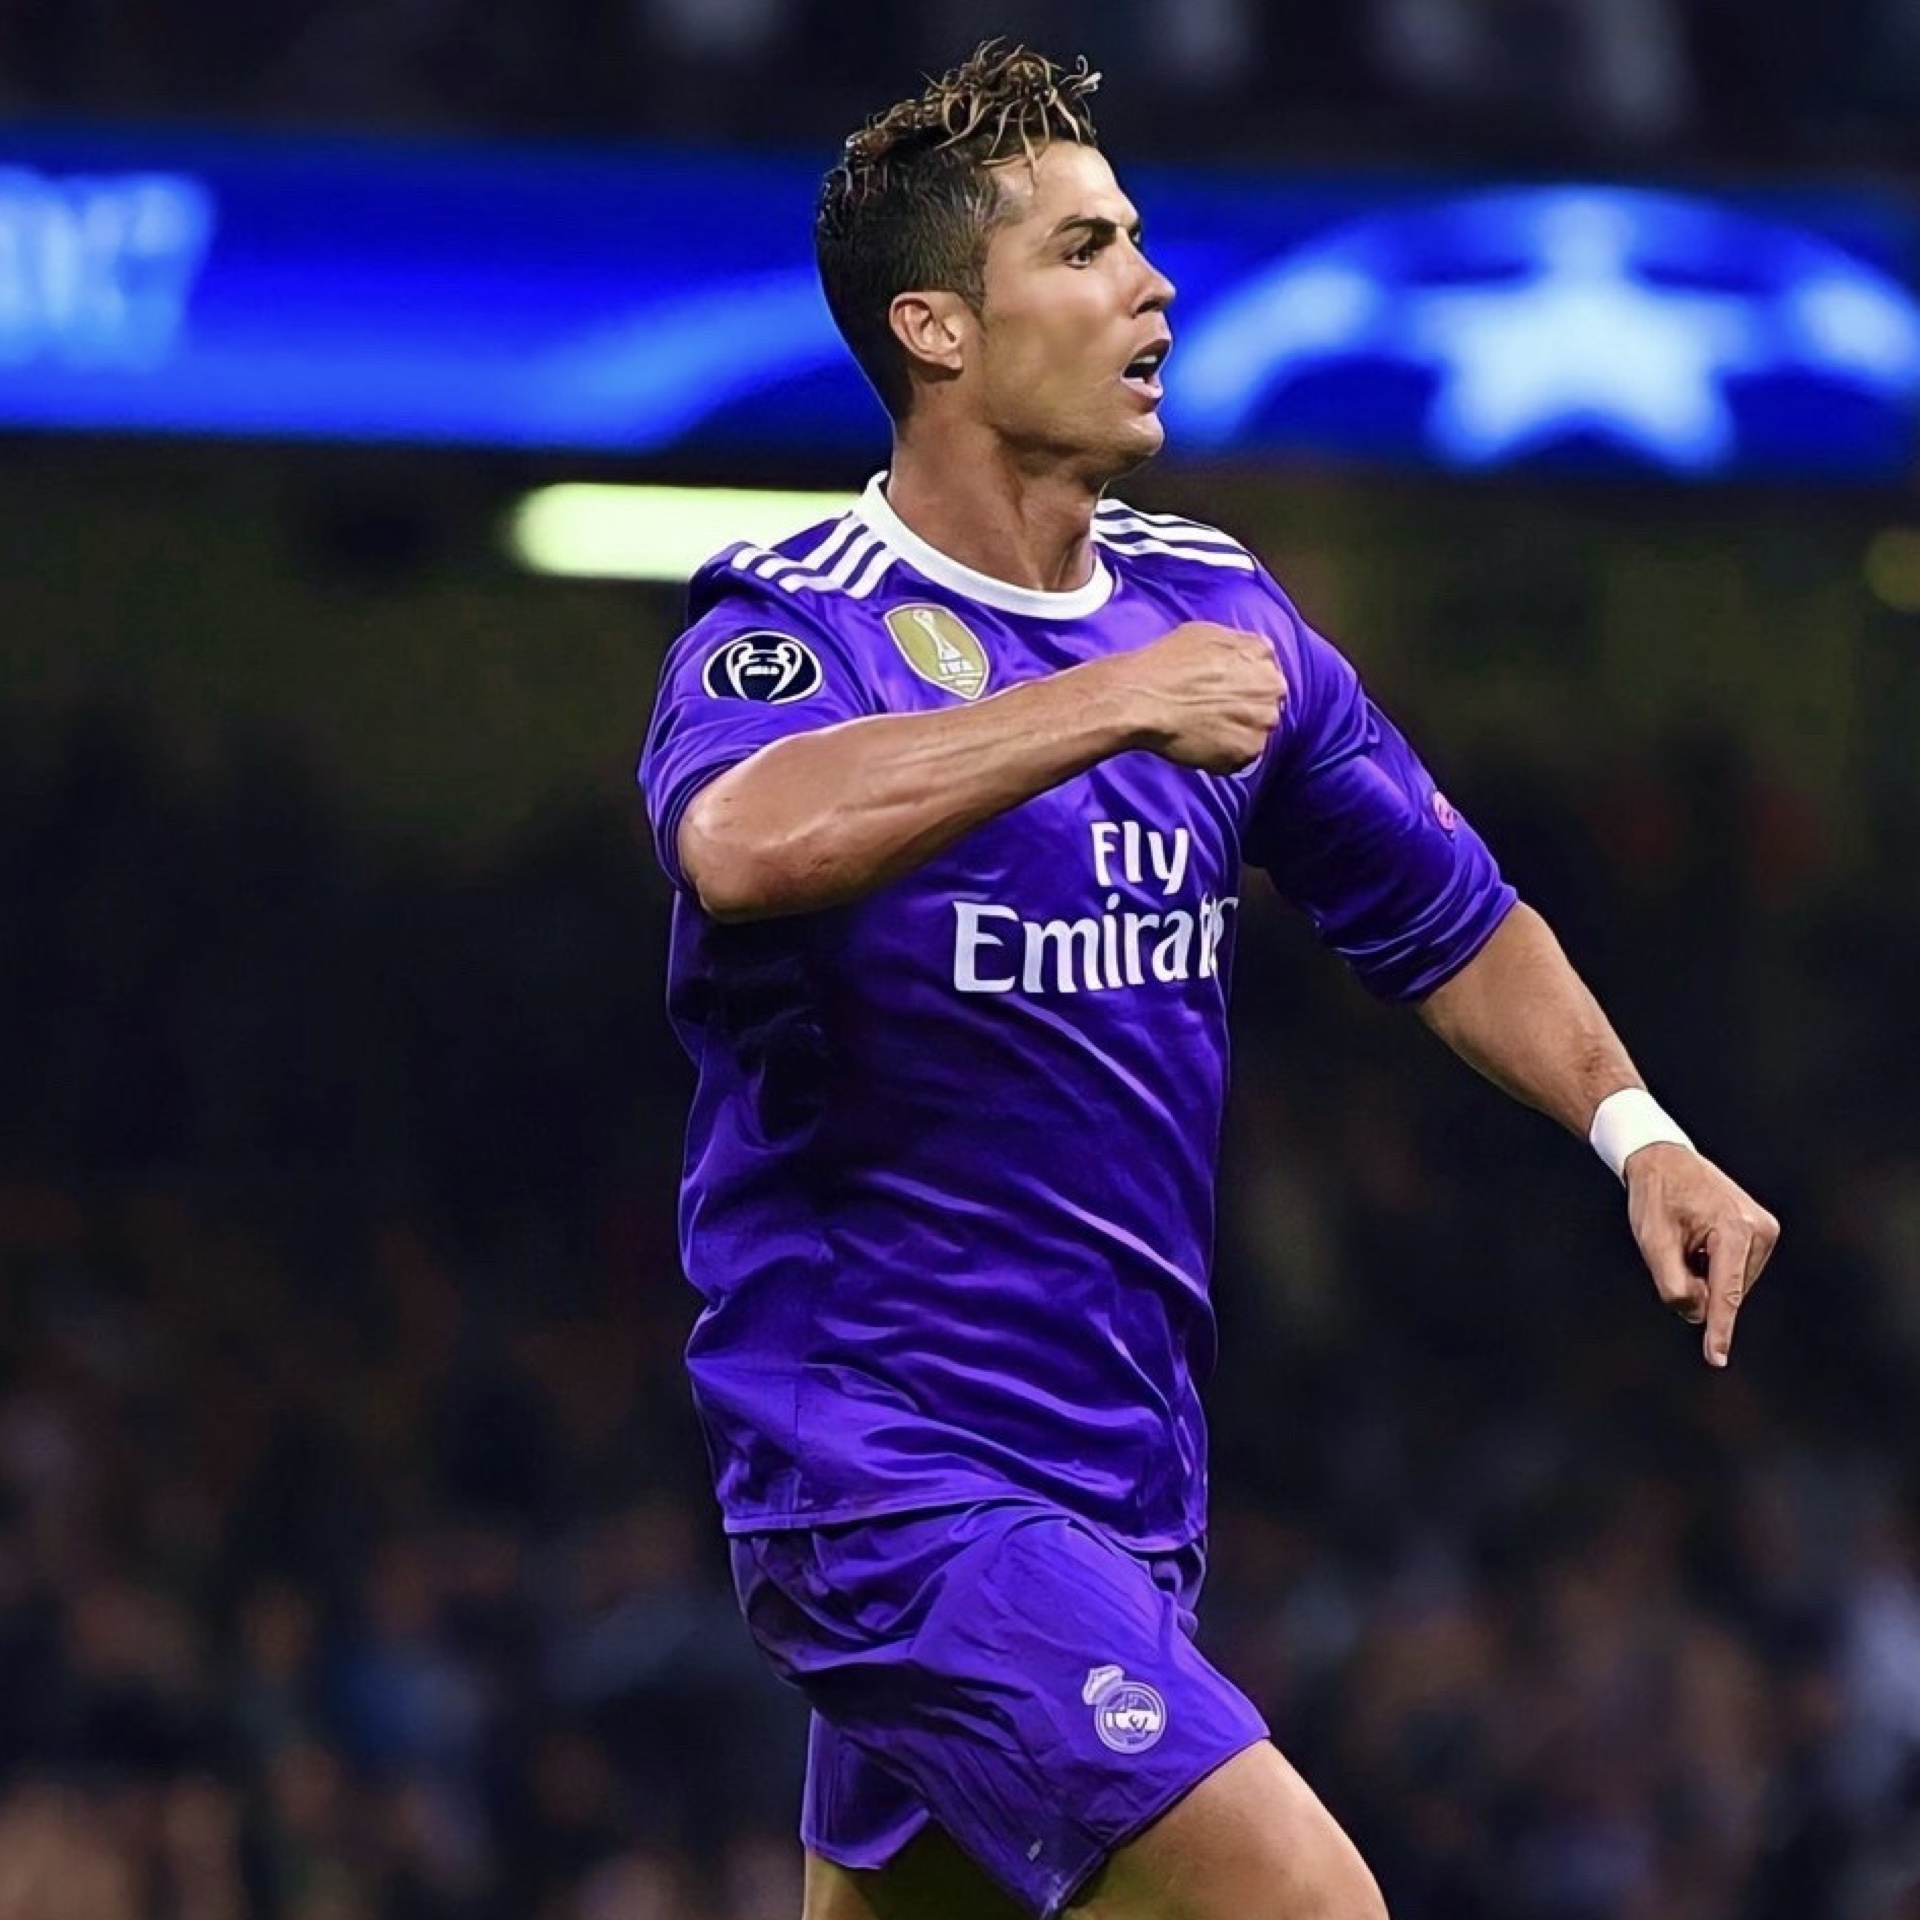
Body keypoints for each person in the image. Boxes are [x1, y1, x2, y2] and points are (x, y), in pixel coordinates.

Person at [636, 41, 1780, 1920]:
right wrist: (1102, 703)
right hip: (890, 1475)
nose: (1152, 287)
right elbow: (748, 842)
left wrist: (1634, 1130)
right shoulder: (798, 616)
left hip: (1123, 1486)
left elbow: (1451, 914)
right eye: (1086, 250)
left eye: (1140, 240)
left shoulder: (1222, 612)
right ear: (935, 327)